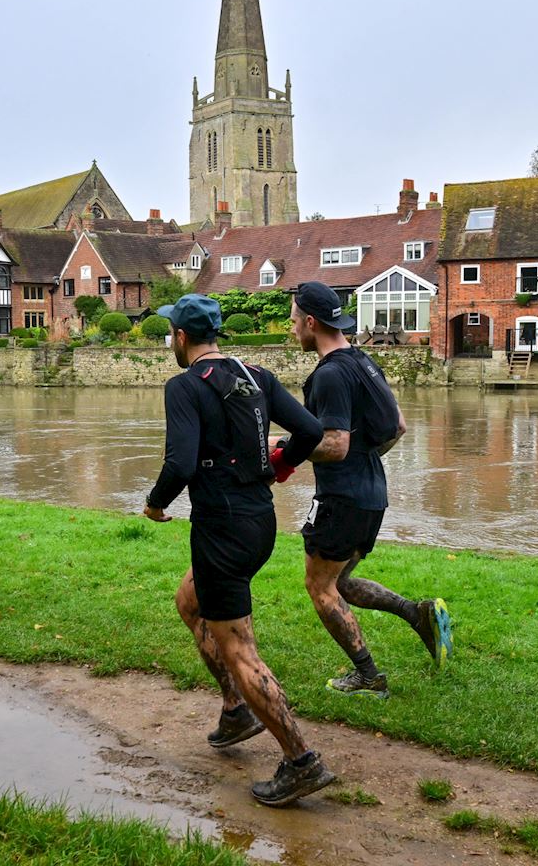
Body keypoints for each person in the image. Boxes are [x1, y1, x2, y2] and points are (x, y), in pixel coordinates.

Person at [143, 294, 337, 807]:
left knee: (240, 649)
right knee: (190, 602)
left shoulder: (183, 386)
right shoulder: (258, 377)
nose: (171, 341)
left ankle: (301, 760)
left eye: (171, 334)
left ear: (181, 338)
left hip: (221, 529)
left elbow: (180, 463)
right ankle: (235, 710)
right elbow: (312, 431)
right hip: (259, 521)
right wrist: (277, 467)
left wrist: (155, 504)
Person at [285, 281, 453, 698]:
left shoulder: (329, 375)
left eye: (292, 321)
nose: (290, 330)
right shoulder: (363, 361)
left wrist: (283, 452)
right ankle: (417, 615)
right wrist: (365, 462)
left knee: (319, 587)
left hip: (341, 498)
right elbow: (398, 425)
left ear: (310, 322)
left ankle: (367, 675)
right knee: (339, 581)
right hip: (371, 492)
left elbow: (335, 444)